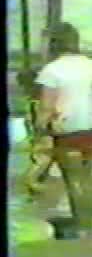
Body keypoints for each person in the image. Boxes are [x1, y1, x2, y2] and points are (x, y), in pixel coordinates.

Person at [35, 22, 92, 239]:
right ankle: (90, 226)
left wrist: (39, 131)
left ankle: (82, 227)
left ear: (54, 43)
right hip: (90, 129)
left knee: (73, 181)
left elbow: (47, 107)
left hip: (65, 130)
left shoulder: (52, 70)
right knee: (86, 179)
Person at [16, 69, 55, 199]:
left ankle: (34, 188)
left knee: (40, 159)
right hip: (42, 131)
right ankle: (31, 182)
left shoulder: (31, 97)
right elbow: (40, 115)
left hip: (38, 130)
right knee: (43, 159)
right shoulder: (38, 97)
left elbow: (29, 120)